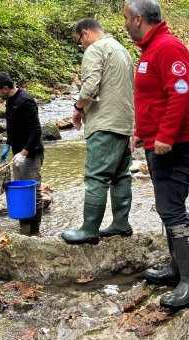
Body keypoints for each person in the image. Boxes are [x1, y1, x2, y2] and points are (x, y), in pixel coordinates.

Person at [124, 0, 189, 312]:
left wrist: (166, 136)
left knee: (173, 210)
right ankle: (178, 270)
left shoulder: (168, 47)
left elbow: (181, 94)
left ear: (138, 19)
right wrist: (141, 132)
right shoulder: (150, 48)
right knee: (167, 209)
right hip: (158, 143)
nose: (124, 23)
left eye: (126, 18)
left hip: (177, 145)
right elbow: (151, 98)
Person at [61, 18, 136, 245]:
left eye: (79, 42)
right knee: (121, 176)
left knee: (96, 176)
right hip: (125, 122)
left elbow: (91, 86)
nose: (81, 46)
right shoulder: (123, 50)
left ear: (85, 33)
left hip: (104, 123)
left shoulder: (95, 49)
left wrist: (77, 109)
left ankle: (89, 230)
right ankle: (121, 223)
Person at [0, 72, 45, 235]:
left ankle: (34, 232)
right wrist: (8, 145)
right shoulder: (9, 100)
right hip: (17, 153)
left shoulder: (25, 101)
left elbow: (36, 131)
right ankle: (24, 229)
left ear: (5, 88)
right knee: (21, 192)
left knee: (34, 193)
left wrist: (24, 153)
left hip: (31, 153)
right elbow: (12, 126)